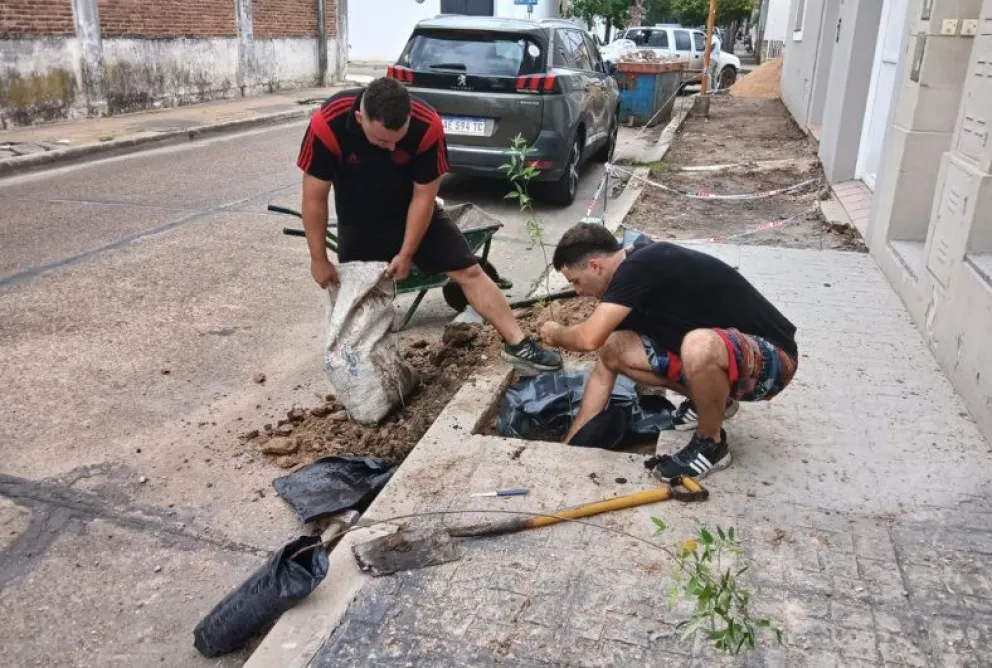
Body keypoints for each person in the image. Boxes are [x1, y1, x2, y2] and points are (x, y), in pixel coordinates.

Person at [296, 77, 562, 375]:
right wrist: (318, 259)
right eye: (382, 140)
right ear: (360, 118)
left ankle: (519, 344)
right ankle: (361, 373)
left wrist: (407, 253)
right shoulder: (329, 123)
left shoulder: (426, 124)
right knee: (360, 299)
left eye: (398, 139)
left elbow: (424, 197)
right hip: (358, 220)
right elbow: (314, 198)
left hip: (413, 211)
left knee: (469, 270)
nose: (391, 147)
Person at [538, 223, 798, 481]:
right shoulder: (625, 285)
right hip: (729, 359)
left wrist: (556, 333)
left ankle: (711, 444)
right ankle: (716, 403)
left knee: (698, 346)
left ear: (596, 266)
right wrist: (568, 449)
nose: (578, 292)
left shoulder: (643, 263)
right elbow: (601, 372)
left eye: (576, 281)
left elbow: (588, 339)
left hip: (773, 359)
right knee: (614, 348)